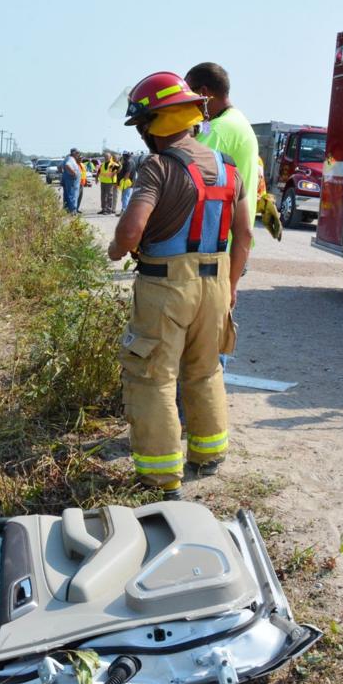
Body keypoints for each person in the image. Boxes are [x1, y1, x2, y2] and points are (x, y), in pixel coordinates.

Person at [108, 71, 252, 500]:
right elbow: (243, 235)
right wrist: (231, 285)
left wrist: (118, 250)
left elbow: (132, 231)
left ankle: (160, 478)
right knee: (205, 370)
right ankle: (208, 455)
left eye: (143, 125)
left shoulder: (156, 167)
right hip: (216, 287)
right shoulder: (227, 169)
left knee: (152, 378)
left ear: (155, 124)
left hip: (166, 289)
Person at [185, 63, 260, 226]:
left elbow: (184, 175)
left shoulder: (219, 129)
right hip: (232, 234)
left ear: (203, 93)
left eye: (189, 96)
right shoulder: (233, 120)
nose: (186, 103)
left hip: (217, 240)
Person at [61, 148, 82, 213]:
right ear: (74, 153)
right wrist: (74, 173)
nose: (78, 155)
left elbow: (59, 167)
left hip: (68, 180)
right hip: (72, 181)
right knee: (73, 195)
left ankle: (66, 209)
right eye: (78, 153)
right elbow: (67, 165)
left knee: (67, 194)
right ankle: (72, 210)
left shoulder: (67, 158)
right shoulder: (71, 159)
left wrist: (64, 174)